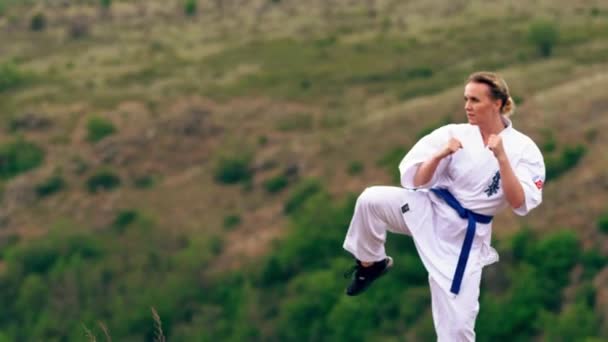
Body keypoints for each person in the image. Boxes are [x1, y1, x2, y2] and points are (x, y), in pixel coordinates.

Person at [342, 71, 545, 341]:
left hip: (464, 239)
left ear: (497, 103)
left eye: (475, 100)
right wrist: (441, 154)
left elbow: (519, 202)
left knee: (458, 329)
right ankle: (371, 263)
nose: (467, 106)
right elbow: (416, 181)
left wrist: (502, 159)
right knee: (370, 200)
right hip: (429, 209)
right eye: (466, 99)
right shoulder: (453, 134)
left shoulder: (524, 150)